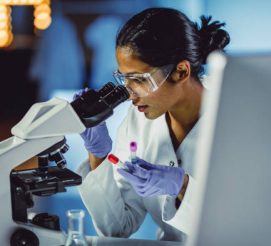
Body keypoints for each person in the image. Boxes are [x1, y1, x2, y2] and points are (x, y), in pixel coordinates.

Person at [76, 7, 230, 241]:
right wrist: (98, 156)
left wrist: (183, 187)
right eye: (124, 78)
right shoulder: (138, 120)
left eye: (139, 79)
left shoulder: (233, 116)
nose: (130, 94)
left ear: (181, 71)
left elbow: (246, 223)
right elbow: (117, 228)